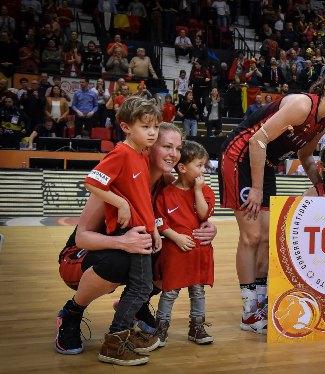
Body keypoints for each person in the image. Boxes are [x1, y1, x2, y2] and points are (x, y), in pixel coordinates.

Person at [54, 120, 217, 358]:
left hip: (130, 248)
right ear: (150, 146)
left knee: (173, 255)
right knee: (119, 262)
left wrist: (209, 227)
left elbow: (192, 216)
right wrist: (122, 242)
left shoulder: (168, 183)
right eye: (167, 147)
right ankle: (71, 314)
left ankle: (133, 306)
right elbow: (82, 238)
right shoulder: (120, 178)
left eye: (178, 148)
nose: (174, 154)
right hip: (82, 256)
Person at [219, 68, 325, 333]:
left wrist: (321, 187)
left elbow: (305, 156)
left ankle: (259, 305)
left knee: (268, 237)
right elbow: (257, 141)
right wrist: (257, 188)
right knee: (251, 236)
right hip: (240, 156)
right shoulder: (302, 104)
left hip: (266, 163)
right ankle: (248, 313)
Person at [82, 97, 163, 365]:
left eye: (155, 126)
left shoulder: (140, 154)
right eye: (145, 126)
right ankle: (114, 343)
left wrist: (154, 230)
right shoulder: (120, 153)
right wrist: (120, 203)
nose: (152, 132)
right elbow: (92, 181)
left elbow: (143, 200)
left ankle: (121, 337)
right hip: (131, 234)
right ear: (126, 127)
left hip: (143, 232)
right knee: (141, 288)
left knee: (142, 287)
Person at [153, 141, 215, 346]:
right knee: (170, 292)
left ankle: (196, 327)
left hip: (199, 252)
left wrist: (198, 191)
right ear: (182, 168)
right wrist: (175, 237)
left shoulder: (204, 191)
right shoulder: (165, 193)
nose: (203, 170)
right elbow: (159, 221)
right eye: (199, 165)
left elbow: (204, 214)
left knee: (198, 291)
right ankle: (160, 330)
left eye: (204, 165)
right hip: (175, 252)